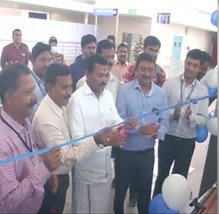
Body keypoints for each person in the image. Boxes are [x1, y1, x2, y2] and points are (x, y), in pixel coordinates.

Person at [32, 63, 126, 214]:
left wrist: (123, 127)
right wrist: (98, 140)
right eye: (64, 87)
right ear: (50, 88)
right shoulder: (47, 119)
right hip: (55, 180)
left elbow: (115, 119)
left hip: (85, 170)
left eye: (70, 86)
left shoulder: (59, 105)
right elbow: (67, 157)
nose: (69, 92)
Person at [0, 63, 62, 213]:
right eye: (28, 92)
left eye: (34, 90)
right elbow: (9, 199)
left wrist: (46, 175)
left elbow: (31, 155)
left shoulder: (24, 123)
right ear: (9, 98)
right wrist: (44, 169)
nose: (35, 97)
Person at [67, 54, 137, 213]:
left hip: (105, 170)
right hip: (86, 173)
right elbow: (77, 143)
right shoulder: (77, 100)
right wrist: (104, 140)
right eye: (100, 75)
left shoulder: (107, 96)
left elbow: (115, 119)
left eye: (106, 75)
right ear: (87, 74)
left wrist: (125, 124)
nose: (104, 80)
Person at [114, 53, 169, 214]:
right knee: (120, 192)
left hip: (147, 153)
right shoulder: (125, 91)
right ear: (136, 70)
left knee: (145, 194)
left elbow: (165, 122)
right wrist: (140, 129)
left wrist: (158, 133)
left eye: (150, 70)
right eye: (142, 69)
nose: (146, 73)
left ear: (154, 73)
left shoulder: (161, 94)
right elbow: (119, 120)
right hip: (125, 152)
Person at [153, 49, 209, 197]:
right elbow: (159, 110)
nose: (190, 68)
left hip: (187, 141)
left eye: (195, 65)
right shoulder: (170, 83)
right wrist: (174, 113)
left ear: (199, 68)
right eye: (188, 63)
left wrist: (192, 117)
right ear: (184, 63)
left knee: (179, 180)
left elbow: (204, 120)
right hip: (168, 138)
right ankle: (155, 207)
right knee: (162, 176)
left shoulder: (202, 91)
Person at [28, 42, 51, 121]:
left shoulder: (50, 80)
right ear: (32, 60)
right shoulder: (27, 83)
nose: (46, 64)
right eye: (42, 60)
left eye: (48, 60)